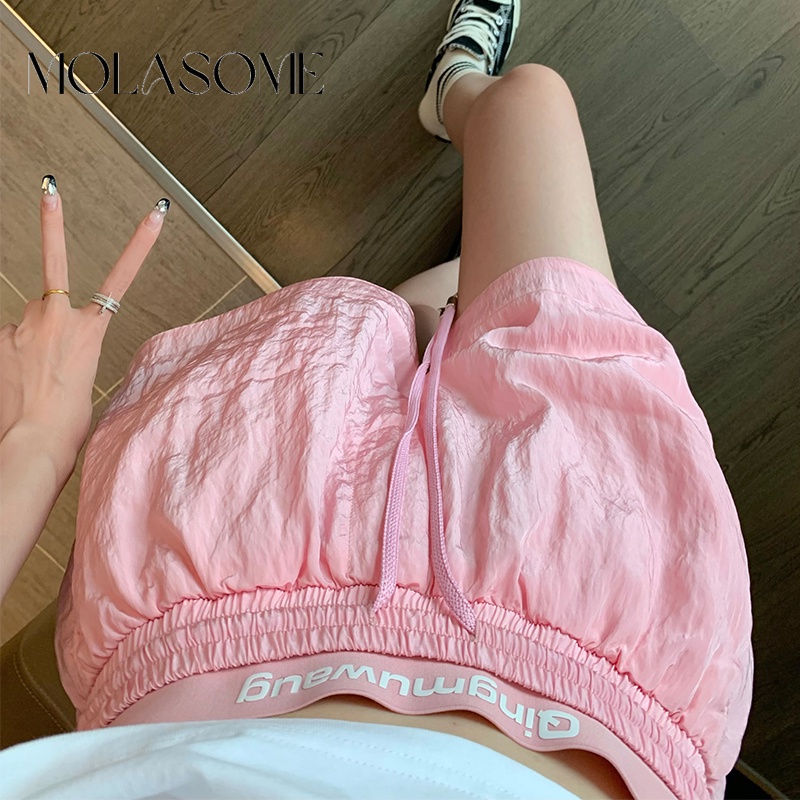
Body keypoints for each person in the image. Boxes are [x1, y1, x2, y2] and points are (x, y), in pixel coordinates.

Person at [0, 0, 753, 798]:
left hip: (219, 596)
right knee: (532, 103)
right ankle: (456, 93)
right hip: (603, 649)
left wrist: (37, 442)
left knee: (411, 318)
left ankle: (451, 278)